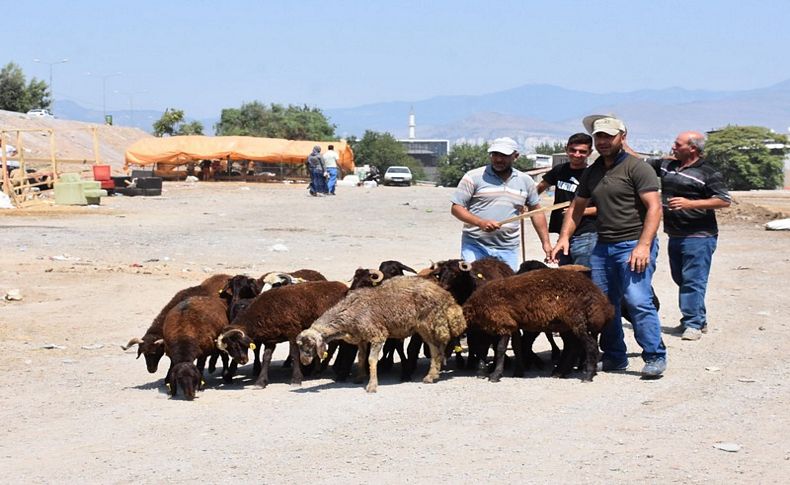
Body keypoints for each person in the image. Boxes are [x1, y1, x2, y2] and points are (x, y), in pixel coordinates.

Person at [551, 115, 666, 377]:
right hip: (603, 247)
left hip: (633, 244)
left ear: (622, 137)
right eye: (598, 137)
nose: (602, 142)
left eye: (608, 136)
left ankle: (655, 355)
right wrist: (564, 237)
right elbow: (575, 209)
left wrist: (643, 245)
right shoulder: (593, 171)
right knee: (604, 305)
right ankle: (615, 356)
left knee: (637, 300)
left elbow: (654, 207)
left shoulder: (638, 168)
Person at [645, 131, 731, 341]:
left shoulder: (708, 172)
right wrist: (624, 141)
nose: (673, 147)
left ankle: (692, 323)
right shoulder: (667, 166)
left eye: (678, 144)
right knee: (681, 278)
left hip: (699, 236)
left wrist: (690, 203)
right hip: (675, 234)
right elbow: (638, 162)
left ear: (692, 148)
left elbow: (724, 200)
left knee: (693, 280)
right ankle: (698, 319)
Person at [451, 136, 552, 272]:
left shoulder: (525, 181)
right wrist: (480, 222)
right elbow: (456, 208)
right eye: (495, 155)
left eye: (504, 155)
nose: (498, 159)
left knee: (506, 288)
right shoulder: (473, 177)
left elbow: (536, 212)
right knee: (474, 284)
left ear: (515, 156)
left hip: (508, 248)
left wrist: (545, 243)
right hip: (475, 245)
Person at [536, 133, 596, 268]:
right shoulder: (560, 170)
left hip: (585, 233)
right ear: (566, 149)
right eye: (573, 150)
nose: (577, 154)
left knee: (581, 276)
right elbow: (541, 186)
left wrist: (580, 211)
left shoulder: (593, 175)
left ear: (590, 153)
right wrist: (527, 202)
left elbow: (604, 208)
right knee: (565, 274)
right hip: (563, 232)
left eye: (582, 151)